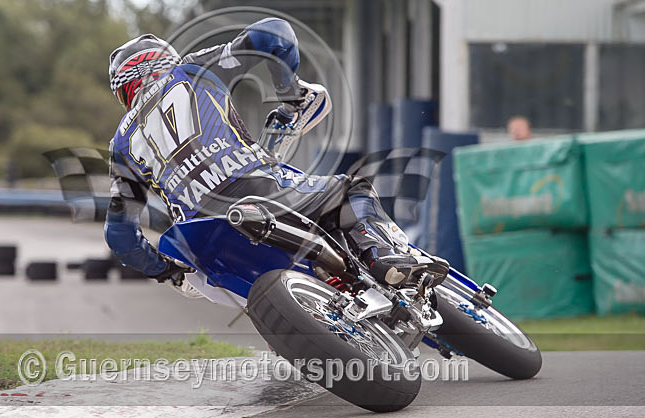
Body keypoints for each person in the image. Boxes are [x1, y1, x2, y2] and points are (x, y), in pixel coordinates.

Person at [105, 18, 448, 288]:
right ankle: (383, 256)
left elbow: (119, 236)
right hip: (253, 188)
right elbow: (273, 33)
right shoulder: (192, 69)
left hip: (196, 236)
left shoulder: (121, 143)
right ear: (162, 60)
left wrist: (166, 270)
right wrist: (289, 93)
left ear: (124, 87)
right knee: (349, 190)